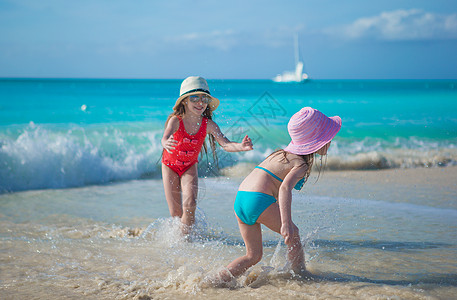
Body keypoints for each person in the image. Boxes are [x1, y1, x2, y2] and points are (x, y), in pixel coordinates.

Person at [219, 107, 341, 281]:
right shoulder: (300, 164)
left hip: (241, 198)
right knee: (294, 234)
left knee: (252, 256)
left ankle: (214, 281)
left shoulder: (279, 154)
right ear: (317, 140)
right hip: (258, 199)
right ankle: (301, 277)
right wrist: (286, 223)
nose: (330, 141)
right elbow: (284, 189)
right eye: (327, 137)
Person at [161, 76, 253, 234]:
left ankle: (187, 240)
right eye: (194, 98)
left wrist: (241, 147)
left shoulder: (208, 125)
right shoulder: (176, 121)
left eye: (204, 99)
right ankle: (178, 238)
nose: (200, 102)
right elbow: (165, 137)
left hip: (190, 167)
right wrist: (165, 142)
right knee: (175, 213)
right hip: (169, 166)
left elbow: (225, 143)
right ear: (184, 101)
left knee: (190, 204)